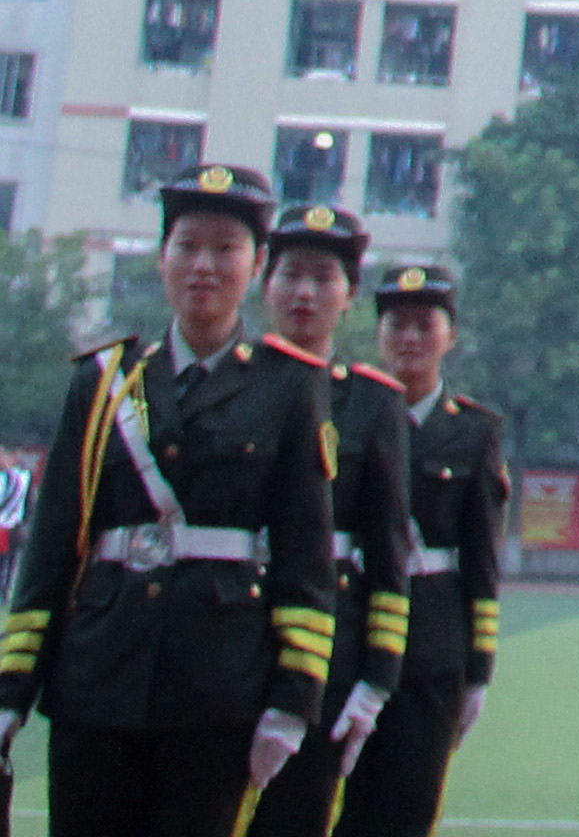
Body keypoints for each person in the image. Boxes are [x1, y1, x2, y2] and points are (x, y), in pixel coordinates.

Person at [0, 158, 338, 837]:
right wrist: (12, 689)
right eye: (187, 246)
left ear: (257, 265)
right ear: (162, 258)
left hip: (218, 688)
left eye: (225, 248)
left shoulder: (289, 388)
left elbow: (306, 560)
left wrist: (291, 702)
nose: (203, 266)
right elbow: (53, 544)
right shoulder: (103, 382)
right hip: (98, 679)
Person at [247, 203, 416, 837]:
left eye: (324, 278)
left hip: (327, 654)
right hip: (226, 634)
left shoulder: (372, 402)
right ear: (266, 281)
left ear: (349, 295)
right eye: (291, 274)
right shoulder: (228, 384)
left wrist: (376, 680)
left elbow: (390, 553)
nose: (305, 293)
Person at [339, 260, 508, 837]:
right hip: (353, 629)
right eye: (397, 324)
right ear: (378, 333)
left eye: (424, 325)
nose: (409, 338)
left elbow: (482, 560)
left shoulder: (475, 432)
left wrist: (478, 669)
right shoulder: (346, 414)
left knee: (409, 806)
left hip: (432, 645)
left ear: (450, 335)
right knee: (340, 808)